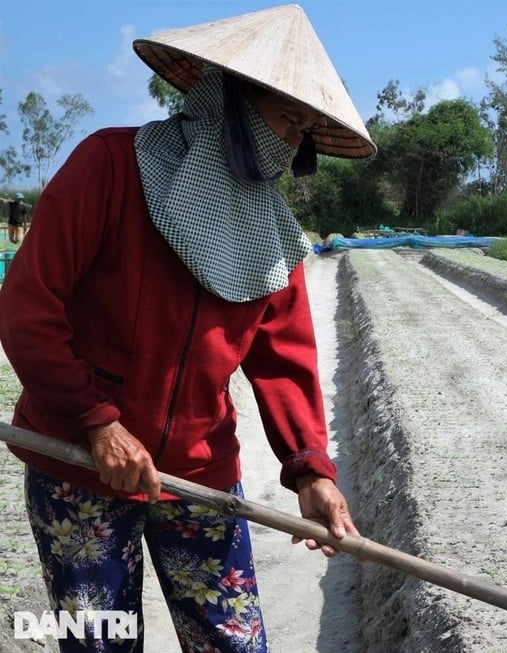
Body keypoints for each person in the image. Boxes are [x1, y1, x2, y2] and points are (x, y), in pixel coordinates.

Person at [0, 5, 376, 652]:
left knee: (234, 642)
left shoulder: (272, 232)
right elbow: (28, 304)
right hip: (79, 465)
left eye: (304, 130)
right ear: (230, 97)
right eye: (286, 120)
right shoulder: (110, 167)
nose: (290, 145)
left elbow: (285, 361)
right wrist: (96, 419)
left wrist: (311, 468)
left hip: (201, 477)